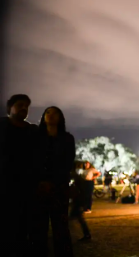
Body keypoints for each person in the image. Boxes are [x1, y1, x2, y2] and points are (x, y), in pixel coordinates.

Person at [30, 106, 75, 257]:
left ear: (61, 118)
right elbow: (31, 161)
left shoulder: (67, 139)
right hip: (38, 188)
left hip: (59, 188)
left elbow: (68, 163)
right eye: (48, 112)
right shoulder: (35, 137)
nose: (51, 115)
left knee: (61, 228)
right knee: (38, 228)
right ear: (43, 117)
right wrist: (40, 181)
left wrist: (55, 182)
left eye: (55, 113)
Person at [0, 94, 38, 257]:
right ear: (10, 108)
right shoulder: (1, 126)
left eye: (26, 106)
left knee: (23, 228)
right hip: (4, 185)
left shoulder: (32, 131)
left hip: (26, 188)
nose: (24, 108)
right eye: (20, 105)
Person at [70, 167, 91, 242]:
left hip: (78, 202)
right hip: (79, 202)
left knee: (78, 219)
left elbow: (79, 193)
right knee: (78, 219)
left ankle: (85, 234)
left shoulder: (78, 181)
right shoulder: (79, 181)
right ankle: (85, 234)